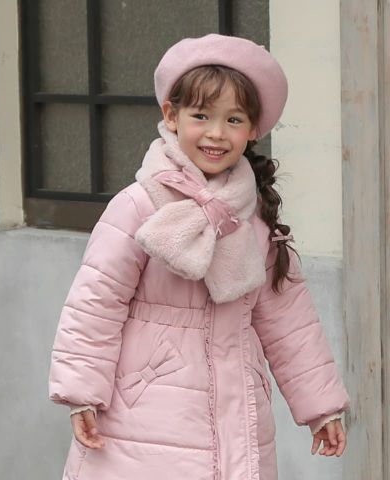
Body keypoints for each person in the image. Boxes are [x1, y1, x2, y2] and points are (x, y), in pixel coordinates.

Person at [49, 34, 350, 480]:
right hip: (144, 415)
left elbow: (290, 320)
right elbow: (96, 302)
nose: (216, 133)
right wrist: (81, 392)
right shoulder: (138, 206)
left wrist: (320, 406)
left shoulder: (254, 218)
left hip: (237, 414)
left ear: (252, 129)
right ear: (172, 116)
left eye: (234, 119)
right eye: (201, 115)